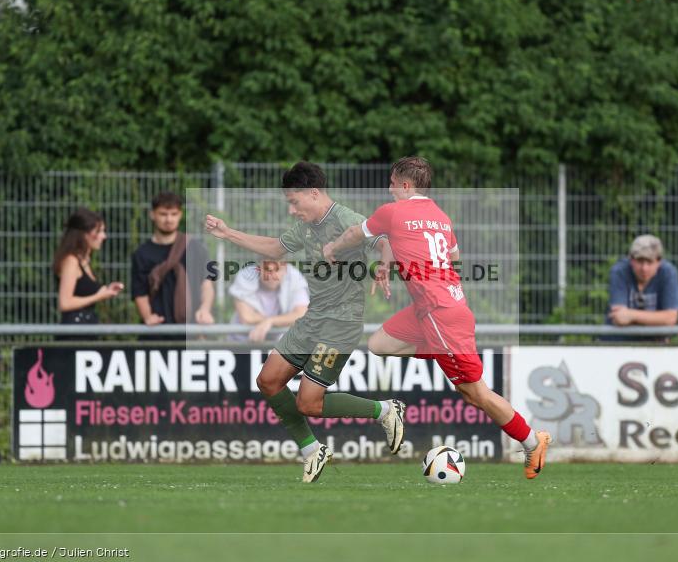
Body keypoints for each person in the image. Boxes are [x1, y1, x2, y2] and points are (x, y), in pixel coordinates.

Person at [324, 156, 551, 480]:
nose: (388, 190)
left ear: (405, 185)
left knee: (477, 394)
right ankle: (446, 352)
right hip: (434, 310)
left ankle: (532, 441)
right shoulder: (441, 217)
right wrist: (395, 266)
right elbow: (453, 259)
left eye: (391, 183)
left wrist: (332, 248)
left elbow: (353, 234)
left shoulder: (392, 212)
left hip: (439, 314)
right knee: (379, 343)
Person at [205, 161, 403, 483]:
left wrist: (383, 265)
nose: (292, 210)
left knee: (308, 403)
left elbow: (383, 241)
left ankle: (385, 410)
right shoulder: (305, 228)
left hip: (341, 323)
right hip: (312, 320)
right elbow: (274, 248)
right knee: (268, 381)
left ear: (314, 193)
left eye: (294, 202)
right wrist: (227, 233)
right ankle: (312, 450)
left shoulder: (346, 219)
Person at [131, 192, 215, 336]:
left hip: (192, 330)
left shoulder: (196, 248)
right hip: (157, 330)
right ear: (152, 215)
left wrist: (205, 309)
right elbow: (140, 292)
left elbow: (207, 284)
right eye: (163, 214)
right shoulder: (142, 254)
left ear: (180, 215)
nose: (169, 219)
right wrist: (148, 317)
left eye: (173, 214)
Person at [53, 208, 124, 333]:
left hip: (86, 328)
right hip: (74, 331)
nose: (104, 236)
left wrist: (106, 291)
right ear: (85, 234)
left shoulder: (84, 261)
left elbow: (84, 291)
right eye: (99, 231)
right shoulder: (71, 261)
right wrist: (98, 296)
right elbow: (65, 303)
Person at [606, 235, 678, 333]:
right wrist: (658, 320)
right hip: (620, 340)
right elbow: (619, 318)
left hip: (655, 342)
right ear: (631, 260)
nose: (644, 268)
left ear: (659, 262)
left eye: (650, 262)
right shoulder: (619, 271)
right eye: (640, 261)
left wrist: (631, 315)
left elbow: (671, 318)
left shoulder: (668, 272)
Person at [229, 259, 309, 342]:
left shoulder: (294, 276)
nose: (272, 275)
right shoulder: (246, 275)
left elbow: (302, 315)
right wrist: (282, 321)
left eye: (277, 269)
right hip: (242, 343)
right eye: (267, 269)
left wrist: (270, 321)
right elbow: (247, 318)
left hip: (278, 344)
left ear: (285, 268)